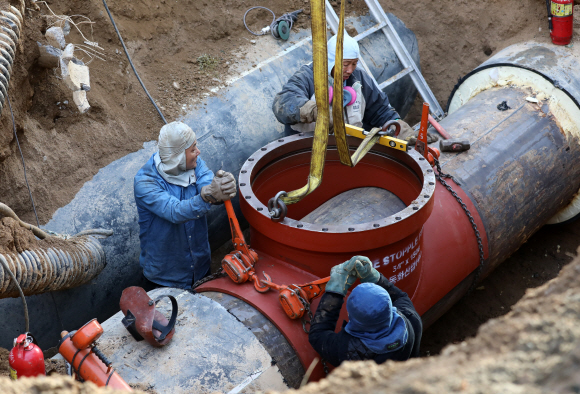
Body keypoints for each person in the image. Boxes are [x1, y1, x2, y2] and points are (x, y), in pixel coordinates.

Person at [134, 121, 237, 289]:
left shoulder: (194, 163)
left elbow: (207, 184)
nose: (198, 152)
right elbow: (175, 211)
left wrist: (220, 187)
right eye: (192, 149)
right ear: (177, 157)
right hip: (165, 278)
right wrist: (206, 196)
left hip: (200, 267)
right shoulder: (146, 182)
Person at [272, 31, 419, 140]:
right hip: (307, 152)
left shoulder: (358, 78)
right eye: (345, 64)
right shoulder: (307, 77)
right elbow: (283, 103)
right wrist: (315, 111)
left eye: (354, 63)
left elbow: (380, 110)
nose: (350, 70)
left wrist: (401, 130)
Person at [308, 256, 422, 366]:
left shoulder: (348, 350)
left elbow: (317, 335)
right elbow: (400, 298)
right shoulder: (410, 318)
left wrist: (335, 290)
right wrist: (374, 277)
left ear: (350, 315)